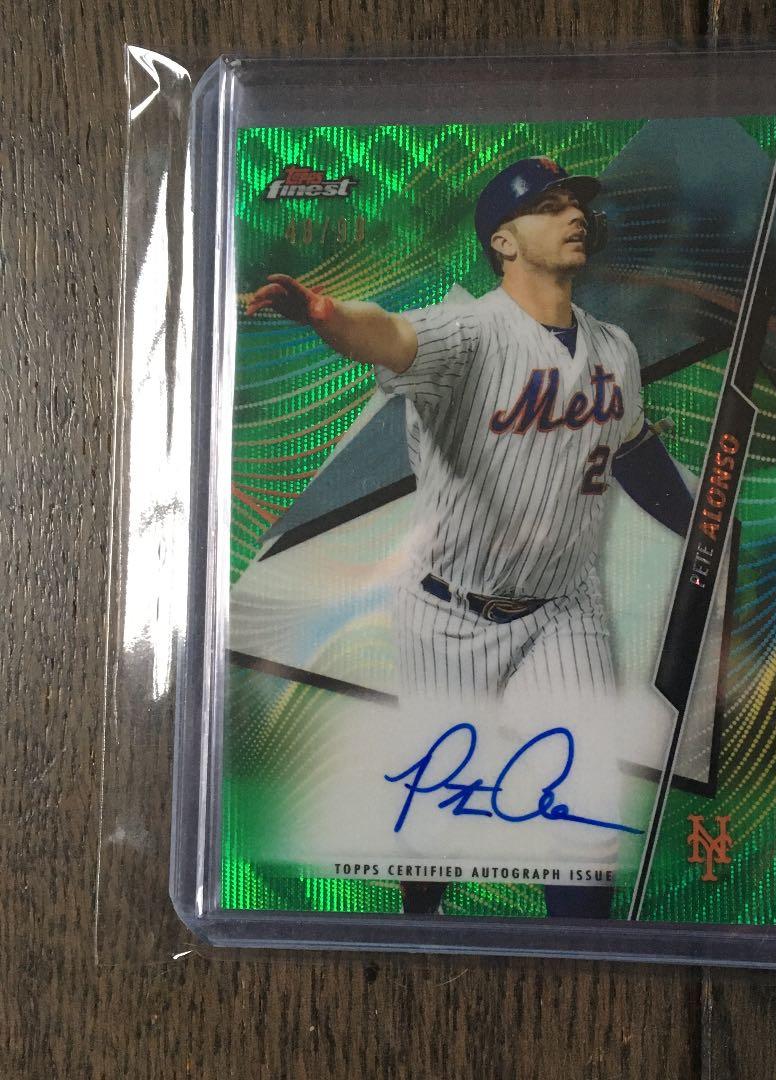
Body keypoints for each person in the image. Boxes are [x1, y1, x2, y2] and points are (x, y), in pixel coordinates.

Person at [247, 157, 692, 918]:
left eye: (574, 203)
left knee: (583, 818)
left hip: (564, 611)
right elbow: (387, 334)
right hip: (449, 614)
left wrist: (703, 527)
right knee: (440, 815)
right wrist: (325, 315)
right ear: (503, 242)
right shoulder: (467, 333)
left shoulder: (614, 348)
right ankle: (419, 928)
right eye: (549, 206)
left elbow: (634, 450)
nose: (573, 214)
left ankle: (583, 961)